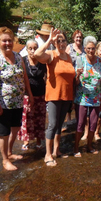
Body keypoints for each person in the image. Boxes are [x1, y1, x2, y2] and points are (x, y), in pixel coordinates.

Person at [0, 27, 34, 170]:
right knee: (3, 132)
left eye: (10, 40)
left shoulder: (18, 57)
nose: (7, 43)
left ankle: (10, 152)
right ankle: (5, 160)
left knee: (16, 127)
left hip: (18, 101)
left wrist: (29, 94)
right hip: (2, 103)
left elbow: (25, 77)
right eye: (4, 41)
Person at [34, 28, 75, 166]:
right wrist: (49, 41)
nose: (61, 43)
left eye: (63, 40)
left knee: (59, 125)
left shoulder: (68, 57)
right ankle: (47, 154)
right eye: (58, 41)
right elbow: (36, 54)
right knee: (52, 125)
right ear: (55, 43)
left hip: (66, 96)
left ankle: (57, 150)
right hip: (53, 96)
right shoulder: (51, 54)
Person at [73, 36, 101, 157]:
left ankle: (89, 145)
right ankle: (76, 147)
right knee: (80, 123)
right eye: (88, 48)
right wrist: (77, 75)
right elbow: (75, 83)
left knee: (93, 123)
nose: (91, 51)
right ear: (85, 48)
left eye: (93, 48)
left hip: (96, 98)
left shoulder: (100, 62)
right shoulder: (80, 60)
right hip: (81, 98)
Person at [17, 40, 47, 151]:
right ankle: (26, 140)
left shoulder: (42, 61)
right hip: (26, 95)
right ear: (27, 49)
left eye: (35, 48)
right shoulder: (23, 60)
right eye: (30, 48)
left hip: (41, 94)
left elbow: (47, 77)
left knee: (39, 117)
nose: (33, 51)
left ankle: (39, 140)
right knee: (27, 118)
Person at [62, 30, 85, 132]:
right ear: (73, 38)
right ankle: (65, 121)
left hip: (82, 78)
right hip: (71, 76)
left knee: (78, 99)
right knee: (68, 98)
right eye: (77, 37)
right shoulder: (69, 47)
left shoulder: (84, 49)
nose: (78, 39)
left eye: (80, 37)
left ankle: (77, 122)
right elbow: (64, 60)